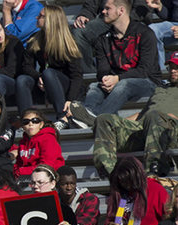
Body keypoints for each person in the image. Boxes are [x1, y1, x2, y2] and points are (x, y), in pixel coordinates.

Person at [68, 0, 160, 129]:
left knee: (124, 84)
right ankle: (87, 115)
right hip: (117, 82)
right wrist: (106, 78)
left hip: (148, 82)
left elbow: (144, 70)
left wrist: (117, 79)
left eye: (107, 9)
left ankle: (97, 119)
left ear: (121, 11)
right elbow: (102, 69)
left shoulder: (145, 34)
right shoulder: (103, 39)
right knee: (95, 86)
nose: (103, 11)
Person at [93, 52, 178, 177]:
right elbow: (142, 114)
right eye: (171, 67)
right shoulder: (161, 89)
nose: (173, 71)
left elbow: (153, 115)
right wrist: (118, 124)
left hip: (170, 132)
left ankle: (154, 169)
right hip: (146, 127)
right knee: (104, 119)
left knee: (155, 116)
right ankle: (108, 173)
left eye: (176, 68)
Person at [17, 5, 84, 128]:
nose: (37, 17)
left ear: (50, 20)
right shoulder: (35, 39)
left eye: (41, 16)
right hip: (44, 84)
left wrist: (70, 99)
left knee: (49, 73)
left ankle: (62, 117)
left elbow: (76, 75)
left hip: (63, 86)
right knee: (22, 80)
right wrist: (39, 77)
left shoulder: (68, 43)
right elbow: (26, 66)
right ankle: (26, 121)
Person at [9, 108, 64, 178]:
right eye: (26, 122)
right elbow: (19, 163)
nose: (30, 124)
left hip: (49, 177)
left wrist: (20, 171)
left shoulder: (48, 139)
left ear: (41, 124)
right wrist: (16, 171)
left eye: (35, 121)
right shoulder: (22, 142)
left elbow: (46, 166)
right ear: (22, 126)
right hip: (29, 177)